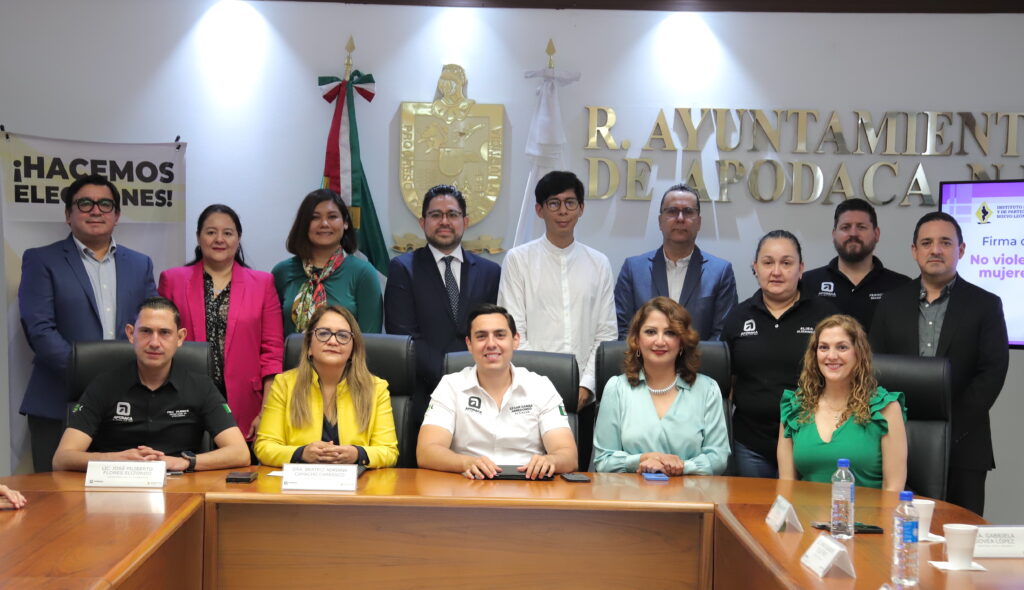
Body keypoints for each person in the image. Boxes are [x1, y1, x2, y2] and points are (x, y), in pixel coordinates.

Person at [870, 211, 1008, 515]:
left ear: (961, 250)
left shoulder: (985, 304)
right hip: (897, 443)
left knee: (961, 531)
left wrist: (951, 427)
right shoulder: (891, 304)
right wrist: (894, 426)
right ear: (914, 251)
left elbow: (992, 372)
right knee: (897, 530)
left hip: (965, 443)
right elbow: (876, 368)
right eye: (927, 243)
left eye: (945, 242)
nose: (935, 250)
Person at [18, 174, 157, 472]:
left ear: (117, 215)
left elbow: (150, 328)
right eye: (85, 203)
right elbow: (39, 331)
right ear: (68, 214)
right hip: (58, 401)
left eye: (105, 204)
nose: (96, 211)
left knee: (124, 494)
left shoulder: (140, 264)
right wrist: (93, 377)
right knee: (55, 495)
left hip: (126, 404)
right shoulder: (42, 260)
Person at [52, 298, 250, 472]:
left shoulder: (201, 386)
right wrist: (115, 459)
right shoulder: (104, 385)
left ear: (180, 338)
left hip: (179, 486)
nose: (154, 342)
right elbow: (62, 458)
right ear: (131, 334)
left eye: (164, 333)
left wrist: (183, 462)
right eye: (146, 331)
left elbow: (240, 453)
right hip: (115, 484)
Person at [158, 204, 283, 441]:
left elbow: (272, 352)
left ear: (238, 238)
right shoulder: (173, 280)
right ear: (198, 237)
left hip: (246, 404)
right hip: (182, 400)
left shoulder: (262, 284)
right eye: (211, 232)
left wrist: (266, 410)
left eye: (228, 233)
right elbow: (160, 343)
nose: (219, 239)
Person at [720, 230, 838, 478]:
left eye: (786, 263)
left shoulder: (825, 316)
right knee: (751, 504)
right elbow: (728, 384)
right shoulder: (738, 317)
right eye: (768, 262)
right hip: (750, 443)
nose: (776, 271)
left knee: (804, 503)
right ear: (755, 267)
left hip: (810, 440)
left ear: (801, 268)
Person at [498, 171, 616, 410]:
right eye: (554, 203)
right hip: (530, 394)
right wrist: (542, 385)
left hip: (584, 395)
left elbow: (606, 333)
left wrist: (587, 385)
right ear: (539, 210)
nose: (563, 211)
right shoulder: (518, 260)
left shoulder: (599, 263)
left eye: (570, 203)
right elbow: (513, 331)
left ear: (581, 209)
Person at [417, 304, 578, 480]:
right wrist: (465, 463)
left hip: (529, 485)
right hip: (469, 484)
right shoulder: (450, 386)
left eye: (500, 335)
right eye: (481, 336)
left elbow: (568, 455)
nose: (491, 344)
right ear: (469, 344)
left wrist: (550, 461)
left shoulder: (541, 386)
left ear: (515, 340)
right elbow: (427, 451)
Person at [384, 185, 500, 425]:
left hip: (481, 394)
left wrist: (472, 380)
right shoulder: (403, 269)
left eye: (452, 214)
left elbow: (494, 334)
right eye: (436, 215)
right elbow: (404, 337)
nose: (444, 221)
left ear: (465, 221)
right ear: (422, 222)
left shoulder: (490, 272)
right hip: (424, 396)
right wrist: (452, 380)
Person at [593, 297, 730, 475]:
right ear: (637, 340)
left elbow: (718, 458)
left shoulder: (707, 389)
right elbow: (603, 460)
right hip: (630, 490)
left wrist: (681, 466)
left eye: (670, 333)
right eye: (650, 332)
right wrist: (642, 459)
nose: (659, 341)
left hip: (690, 490)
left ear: (682, 341)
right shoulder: (617, 388)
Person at [254, 305, 398, 468]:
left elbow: (389, 451)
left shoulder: (376, 388)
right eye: (323, 333)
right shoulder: (284, 384)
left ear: (353, 349)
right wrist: (301, 453)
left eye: (343, 336)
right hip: (300, 481)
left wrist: (357, 454)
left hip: (358, 482)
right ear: (309, 345)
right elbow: (264, 446)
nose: (333, 341)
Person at [777, 315, 907, 491]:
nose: (832, 356)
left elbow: (893, 488)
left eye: (842, 347)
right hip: (804, 509)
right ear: (815, 354)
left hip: (865, 510)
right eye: (824, 347)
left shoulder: (885, 408)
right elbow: (786, 486)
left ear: (858, 352)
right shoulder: (795, 407)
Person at [614, 184, 737, 341]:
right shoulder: (633, 270)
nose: (680, 218)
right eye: (672, 211)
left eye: (688, 212)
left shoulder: (721, 272)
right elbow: (624, 331)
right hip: (644, 358)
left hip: (700, 357)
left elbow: (722, 335)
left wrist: (689, 357)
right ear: (660, 221)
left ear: (699, 222)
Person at [272, 189, 382, 335]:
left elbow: (370, 338)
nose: (324, 223)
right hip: (291, 351)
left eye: (332, 217)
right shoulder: (282, 272)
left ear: (345, 223)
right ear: (304, 224)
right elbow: (272, 336)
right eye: (314, 217)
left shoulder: (363, 273)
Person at [801, 198, 910, 330]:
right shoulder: (807, 283)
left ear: (876, 234)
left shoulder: (901, 286)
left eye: (861, 227)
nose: (853, 233)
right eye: (845, 227)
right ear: (834, 234)